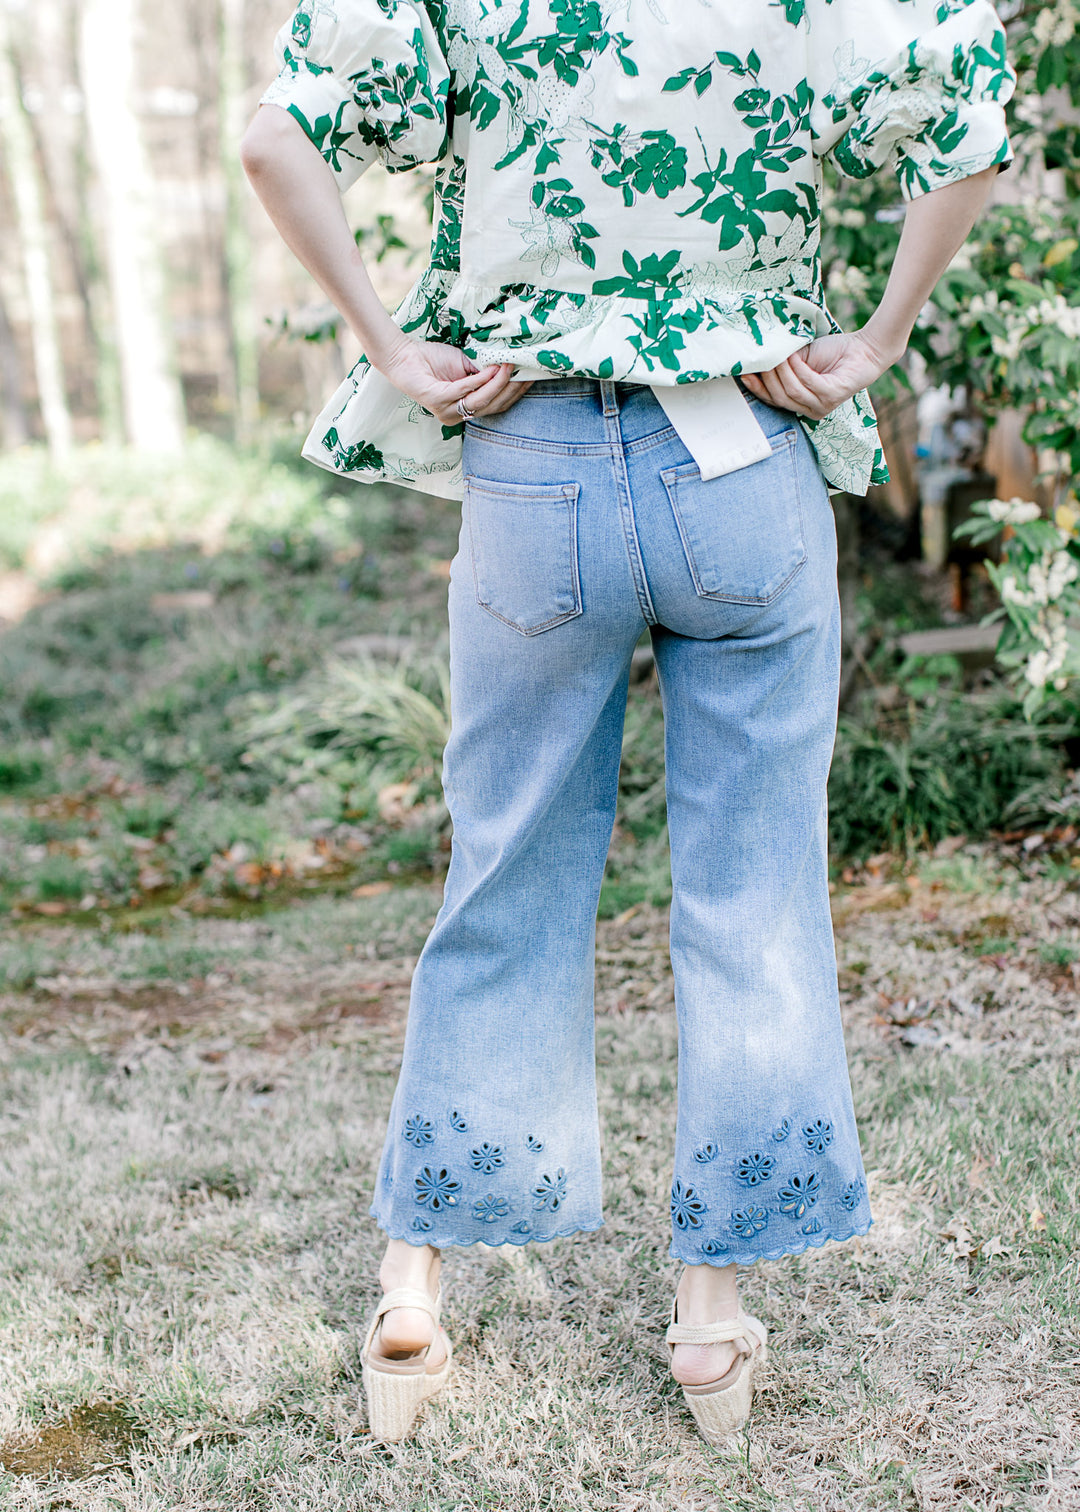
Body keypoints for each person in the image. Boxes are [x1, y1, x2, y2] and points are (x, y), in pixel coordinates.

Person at [242, 0, 1014, 1447]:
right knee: (753, 895)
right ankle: (713, 1324)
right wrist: (879, 339)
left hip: (532, 465)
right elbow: (970, 129)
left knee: (507, 876)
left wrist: (392, 348)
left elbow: (272, 140)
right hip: (742, 460)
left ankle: (413, 1294)